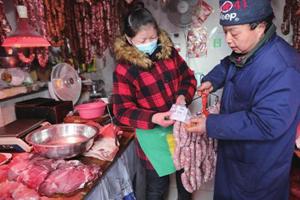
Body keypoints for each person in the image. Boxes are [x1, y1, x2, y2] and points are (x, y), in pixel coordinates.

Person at [186, 0, 300, 199]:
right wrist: (213, 79)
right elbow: (230, 62)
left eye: (234, 33)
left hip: (258, 170)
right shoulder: (249, 49)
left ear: (260, 27)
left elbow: (267, 123)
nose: (229, 40)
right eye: (225, 32)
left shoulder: (283, 67)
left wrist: (210, 124)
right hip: (235, 156)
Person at [112, 6, 197, 200]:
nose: (150, 43)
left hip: (180, 130)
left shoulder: (168, 53)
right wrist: (154, 117)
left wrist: (183, 96)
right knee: (157, 187)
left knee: (186, 182)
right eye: (143, 40)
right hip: (152, 137)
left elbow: (188, 78)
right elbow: (122, 111)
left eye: (153, 37)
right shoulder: (124, 69)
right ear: (129, 39)